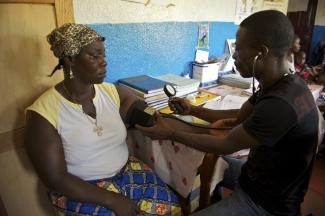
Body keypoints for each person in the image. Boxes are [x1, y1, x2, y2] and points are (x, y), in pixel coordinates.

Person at [136, 10, 319, 216]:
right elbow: (240, 117)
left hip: (266, 203)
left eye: (239, 50)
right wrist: (193, 109)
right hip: (258, 175)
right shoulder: (282, 83)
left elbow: (226, 144)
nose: (234, 57)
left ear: (261, 52)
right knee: (200, 160)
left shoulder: (280, 103)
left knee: (209, 156)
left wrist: (170, 133)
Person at [24, 23, 180, 216]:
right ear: (70, 58)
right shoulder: (42, 114)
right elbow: (55, 178)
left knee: (172, 209)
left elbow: (151, 117)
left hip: (128, 172)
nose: (103, 62)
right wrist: (112, 200)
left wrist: (184, 123)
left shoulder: (113, 93)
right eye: (94, 56)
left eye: (103, 55)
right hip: (81, 188)